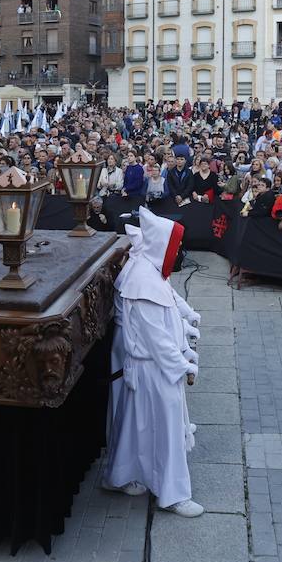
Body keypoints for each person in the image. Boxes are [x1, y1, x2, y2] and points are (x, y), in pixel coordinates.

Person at [103, 208, 203, 517]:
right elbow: (156, 338)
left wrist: (186, 328)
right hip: (153, 368)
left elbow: (170, 306)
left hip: (150, 366)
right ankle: (173, 495)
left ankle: (120, 475)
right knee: (165, 429)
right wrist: (184, 365)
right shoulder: (142, 281)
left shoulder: (148, 272)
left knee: (138, 425)